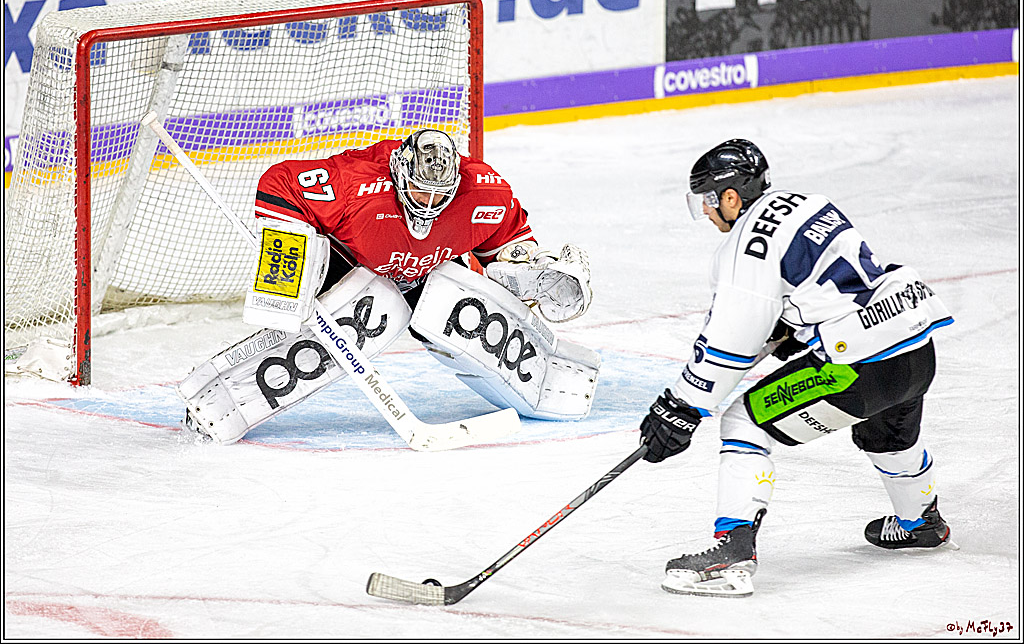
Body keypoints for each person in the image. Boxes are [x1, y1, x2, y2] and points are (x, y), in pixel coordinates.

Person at [638, 138, 955, 598]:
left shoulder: (746, 244)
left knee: (745, 421)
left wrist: (681, 407)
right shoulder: (807, 203)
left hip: (858, 364)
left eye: (707, 200)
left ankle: (731, 554)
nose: (705, 213)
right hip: (914, 345)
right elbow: (829, 283)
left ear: (730, 197)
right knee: (886, 433)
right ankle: (920, 520)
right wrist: (791, 322)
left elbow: (731, 339)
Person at [178, 128, 598, 444]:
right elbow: (279, 184)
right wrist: (288, 270)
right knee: (362, 311)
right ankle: (217, 401)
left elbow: (504, 239)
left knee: (452, 303)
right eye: (420, 191)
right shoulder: (354, 186)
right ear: (399, 173)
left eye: (441, 196)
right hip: (351, 264)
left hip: (430, 269)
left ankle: (554, 384)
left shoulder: (482, 192)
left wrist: (524, 266)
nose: (430, 204)